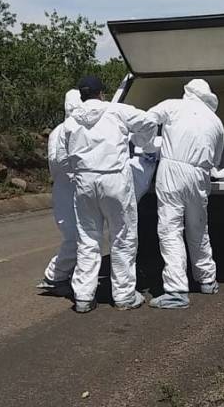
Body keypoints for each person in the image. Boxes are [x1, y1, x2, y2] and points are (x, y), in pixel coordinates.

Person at [64, 76, 156, 313]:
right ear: (101, 94)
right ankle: (124, 296)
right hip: (114, 178)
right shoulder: (116, 110)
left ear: (82, 96)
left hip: (84, 181)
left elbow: (67, 153)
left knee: (88, 239)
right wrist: (145, 145)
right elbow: (147, 122)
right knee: (122, 237)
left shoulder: (71, 121)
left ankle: (83, 297)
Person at [147, 79, 224, 309]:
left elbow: (146, 120)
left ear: (187, 92)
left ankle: (176, 290)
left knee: (171, 230)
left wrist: (148, 144)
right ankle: (207, 280)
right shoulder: (217, 122)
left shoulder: (172, 105)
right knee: (198, 229)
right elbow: (216, 160)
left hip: (171, 171)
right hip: (200, 174)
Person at [36, 90, 83, 296]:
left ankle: (71, 276)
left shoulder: (60, 130)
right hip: (69, 188)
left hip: (69, 187)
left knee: (82, 236)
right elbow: (60, 163)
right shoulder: (68, 130)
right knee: (76, 237)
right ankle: (55, 276)